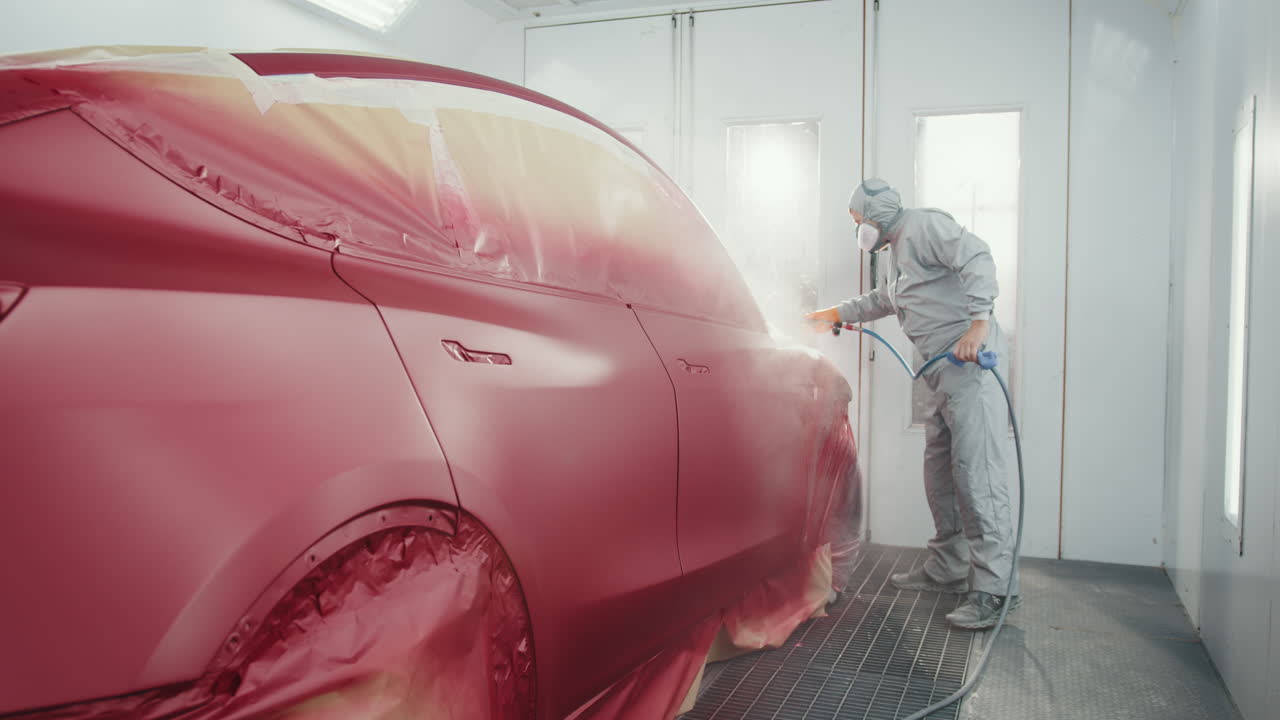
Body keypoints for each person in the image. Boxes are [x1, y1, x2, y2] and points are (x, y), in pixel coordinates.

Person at [805, 178, 1018, 630]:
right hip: (939, 369)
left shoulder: (922, 226)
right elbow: (888, 299)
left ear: (877, 216)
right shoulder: (897, 251)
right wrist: (837, 314)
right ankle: (949, 567)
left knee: (977, 474)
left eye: (858, 221)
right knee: (941, 471)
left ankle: (995, 590)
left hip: (968, 364)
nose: (857, 229)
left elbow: (977, 256)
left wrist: (978, 326)